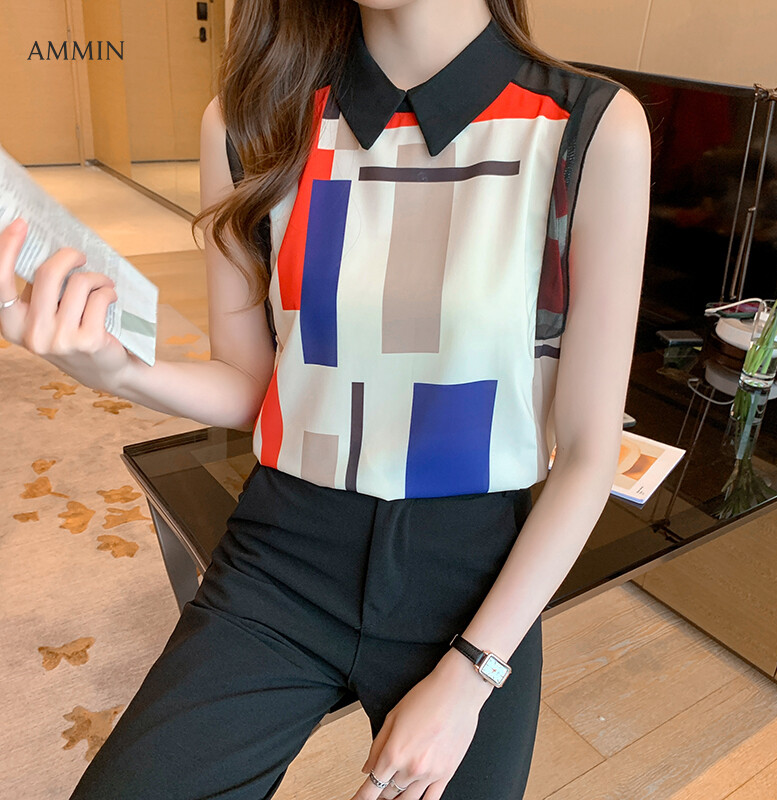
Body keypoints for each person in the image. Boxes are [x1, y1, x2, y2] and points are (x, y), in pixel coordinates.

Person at [0, 0, 651, 797]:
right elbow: (255, 383)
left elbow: (586, 456)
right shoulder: (250, 123)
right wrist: (117, 371)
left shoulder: (589, 129)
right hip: (285, 554)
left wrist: (472, 674)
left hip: (473, 576)